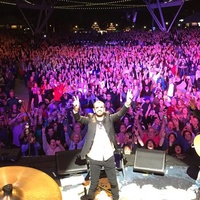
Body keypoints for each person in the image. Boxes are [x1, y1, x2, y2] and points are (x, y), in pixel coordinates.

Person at [72, 89, 133, 200]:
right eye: (97, 107)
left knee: (113, 181)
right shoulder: (90, 119)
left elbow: (120, 113)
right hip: (94, 157)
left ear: (104, 109)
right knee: (94, 182)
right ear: (94, 110)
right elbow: (79, 119)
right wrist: (76, 110)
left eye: (101, 107)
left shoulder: (109, 117)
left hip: (108, 155)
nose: (99, 109)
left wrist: (127, 102)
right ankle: (90, 198)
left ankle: (115, 198)